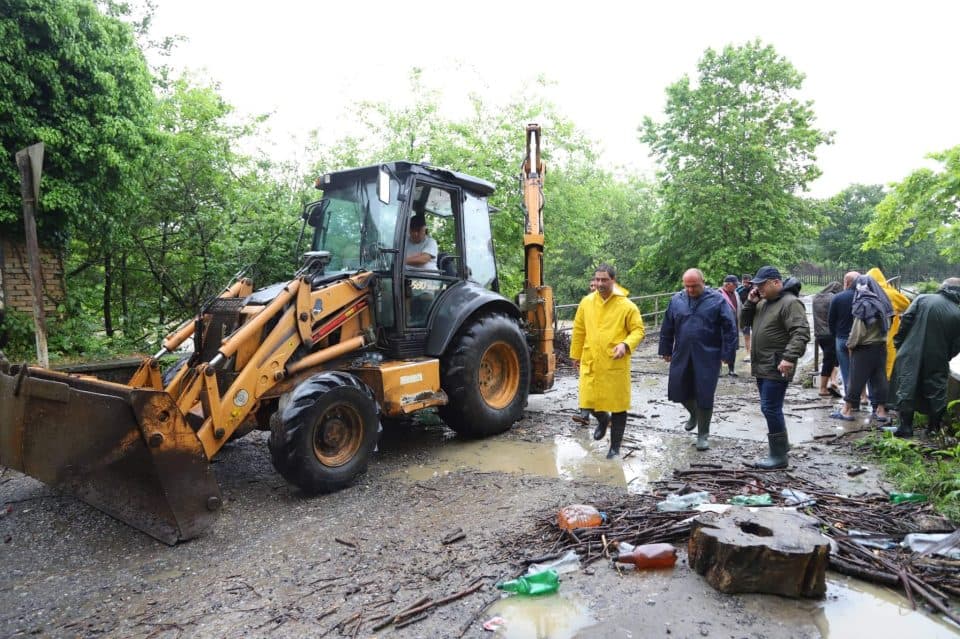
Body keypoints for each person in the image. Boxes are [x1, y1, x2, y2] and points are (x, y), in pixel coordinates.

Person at [570, 264, 645, 458]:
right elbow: (579, 330)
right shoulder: (586, 302)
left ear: (613, 280)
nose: (600, 284)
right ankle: (603, 420)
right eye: (597, 280)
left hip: (615, 362)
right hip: (591, 359)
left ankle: (615, 448)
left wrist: (626, 345)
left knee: (618, 406)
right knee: (589, 401)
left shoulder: (627, 306)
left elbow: (638, 330)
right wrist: (575, 355)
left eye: (604, 280)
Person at [659, 269, 737, 450]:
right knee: (676, 388)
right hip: (682, 352)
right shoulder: (676, 300)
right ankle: (694, 413)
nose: (690, 290)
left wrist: (728, 353)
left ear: (703, 282)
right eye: (687, 286)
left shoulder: (717, 300)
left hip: (709, 354)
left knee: (704, 394)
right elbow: (667, 325)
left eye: (694, 286)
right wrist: (665, 349)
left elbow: (730, 328)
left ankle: (703, 434)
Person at [741, 266, 810, 469]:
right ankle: (782, 445)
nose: (758, 288)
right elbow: (743, 323)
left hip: (777, 364)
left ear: (776, 283)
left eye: (762, 284)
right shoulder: (763, 303)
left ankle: (779, 457)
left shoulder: (790, 303)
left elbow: (801, 332)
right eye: (757, 285)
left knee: (769, 407)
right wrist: (750, 303)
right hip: (763, 364)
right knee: (771, 407)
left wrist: (789, 357)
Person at [889, 278, 960, 438]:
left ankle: (905, 427)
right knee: (936, 390)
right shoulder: (957, 313)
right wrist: (945, 355)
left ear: (943, 288)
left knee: (906, 385)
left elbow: (906, 320)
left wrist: (900, 342)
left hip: (910, 351)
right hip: (938, 356)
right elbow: (957, 345)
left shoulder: (923, 298)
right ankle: (933, 428)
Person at [829, 275, 893, 423]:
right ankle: (881, 411)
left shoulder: (864, 304)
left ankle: (846, 410)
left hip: (864, 348)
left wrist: (850, 345)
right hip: (881, 346)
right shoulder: (882, 303)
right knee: (880, 379)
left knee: (855, 379)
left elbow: (858, 330)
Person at [865, 267, 911, 379]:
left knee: (871, 367)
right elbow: (907, 305)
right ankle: (887, 389)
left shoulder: (864, 294)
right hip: (889, 335)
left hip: (868, 337)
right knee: (889, 363)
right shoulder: (891, 294)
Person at [828, 271, 860, 393]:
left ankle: (850, 401)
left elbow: (831, 320)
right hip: (859, 339)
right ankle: (863, 397)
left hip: (841, 338)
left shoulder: (838, 297)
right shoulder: (862, 297)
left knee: (846, 371)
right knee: (861, 370)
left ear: (846, 282)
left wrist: (835, 335)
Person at [812, 281, 843, 397]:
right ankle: (823, 388)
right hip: (831, 334)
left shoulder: (816, 297)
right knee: (829, 360)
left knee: (832, 359)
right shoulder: (833, 298)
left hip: (819, 334)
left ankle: (833, 382)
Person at [718, 275, 741, 376]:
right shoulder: (718, 294)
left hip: (734, 326)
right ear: (727, 284)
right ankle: (718, 370)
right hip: (721, 327)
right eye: (734, 284)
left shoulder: (736, 294)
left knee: (732, 347)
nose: (736, 286)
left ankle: (731, 370)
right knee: (719, 347)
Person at [735, 275, 753, 360]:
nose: (745, 283)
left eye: (747, 282)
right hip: (744, 315)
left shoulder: (755, 289)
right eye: (743, 281)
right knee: (746, 335)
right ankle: (748, 353)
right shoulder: (739, 290)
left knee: (757, 334)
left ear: (750, 281)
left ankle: (755, 353)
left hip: (755, 314)